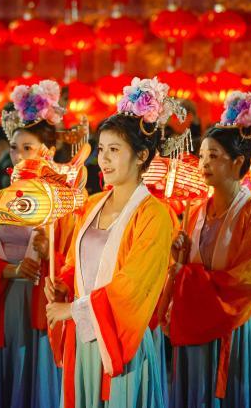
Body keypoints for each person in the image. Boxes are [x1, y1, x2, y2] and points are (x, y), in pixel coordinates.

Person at [45, 77, 176, 408]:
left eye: (114, 150)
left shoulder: (154, 215)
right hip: (84, 335)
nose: (103, 160)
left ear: (141, 155)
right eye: (101, 149)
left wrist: (73, 309)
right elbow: (76, 263)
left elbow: (132, 287)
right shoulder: (93, 205)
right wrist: (63, 282)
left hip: (120, 339)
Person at [166, 89, 251, 407]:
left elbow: (249, 281)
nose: (204, 163)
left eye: (214, 156)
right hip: (195, 322)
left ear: (238, 161)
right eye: (202, 156)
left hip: (233, 325)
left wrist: (187, 276)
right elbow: (184, 266)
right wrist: (178, 258)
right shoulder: (196, 211)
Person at [0, 80, 75, 408]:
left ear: (48, 152)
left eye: (28, 148)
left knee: (37, 380)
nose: (18, 156)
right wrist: (11, 270)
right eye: (14, 148)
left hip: (40, 302)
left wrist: (51, 255)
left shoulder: (64, 202)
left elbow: (75, 261)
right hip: (5, 298)